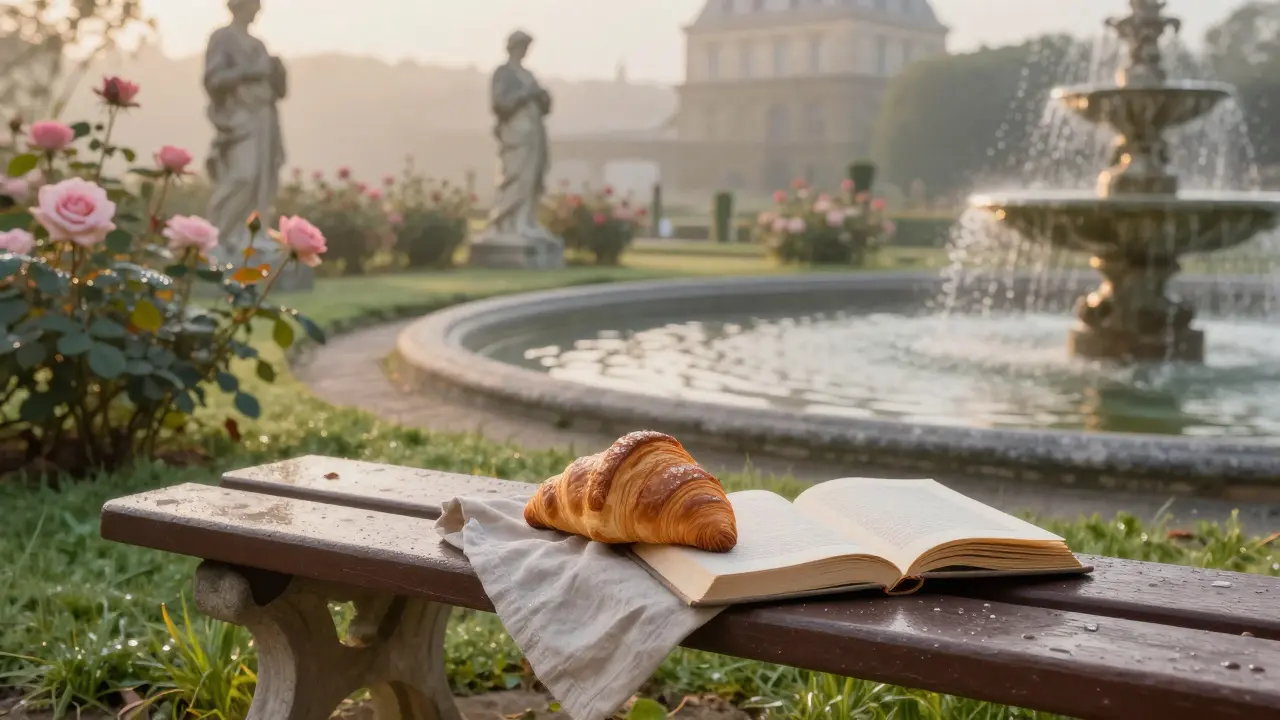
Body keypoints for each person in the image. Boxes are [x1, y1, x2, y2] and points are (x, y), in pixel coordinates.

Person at [203, 0, 288, 263]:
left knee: (263, 179)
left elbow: (279, 90)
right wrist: (250, 71)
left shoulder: (259, 44)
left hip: (265, 116)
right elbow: (213, 80)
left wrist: (277, 72)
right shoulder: (223, 38)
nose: (259, 9)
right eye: (255, 4)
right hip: (239, 119)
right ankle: (215, 238)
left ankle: (251, 236)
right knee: (243, 175)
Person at [471, 30, 564, 268]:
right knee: (515, 176)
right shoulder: (503, 73)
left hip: (534, 132)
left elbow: (543, 105)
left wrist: (543, 97)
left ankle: (526, 221)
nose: (524, 52)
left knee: (533, 177)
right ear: (512, 48)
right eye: (521, 47)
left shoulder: (528, 74)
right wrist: (526, 94)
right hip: (516, 134)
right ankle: (508, 222)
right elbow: (500, 104)